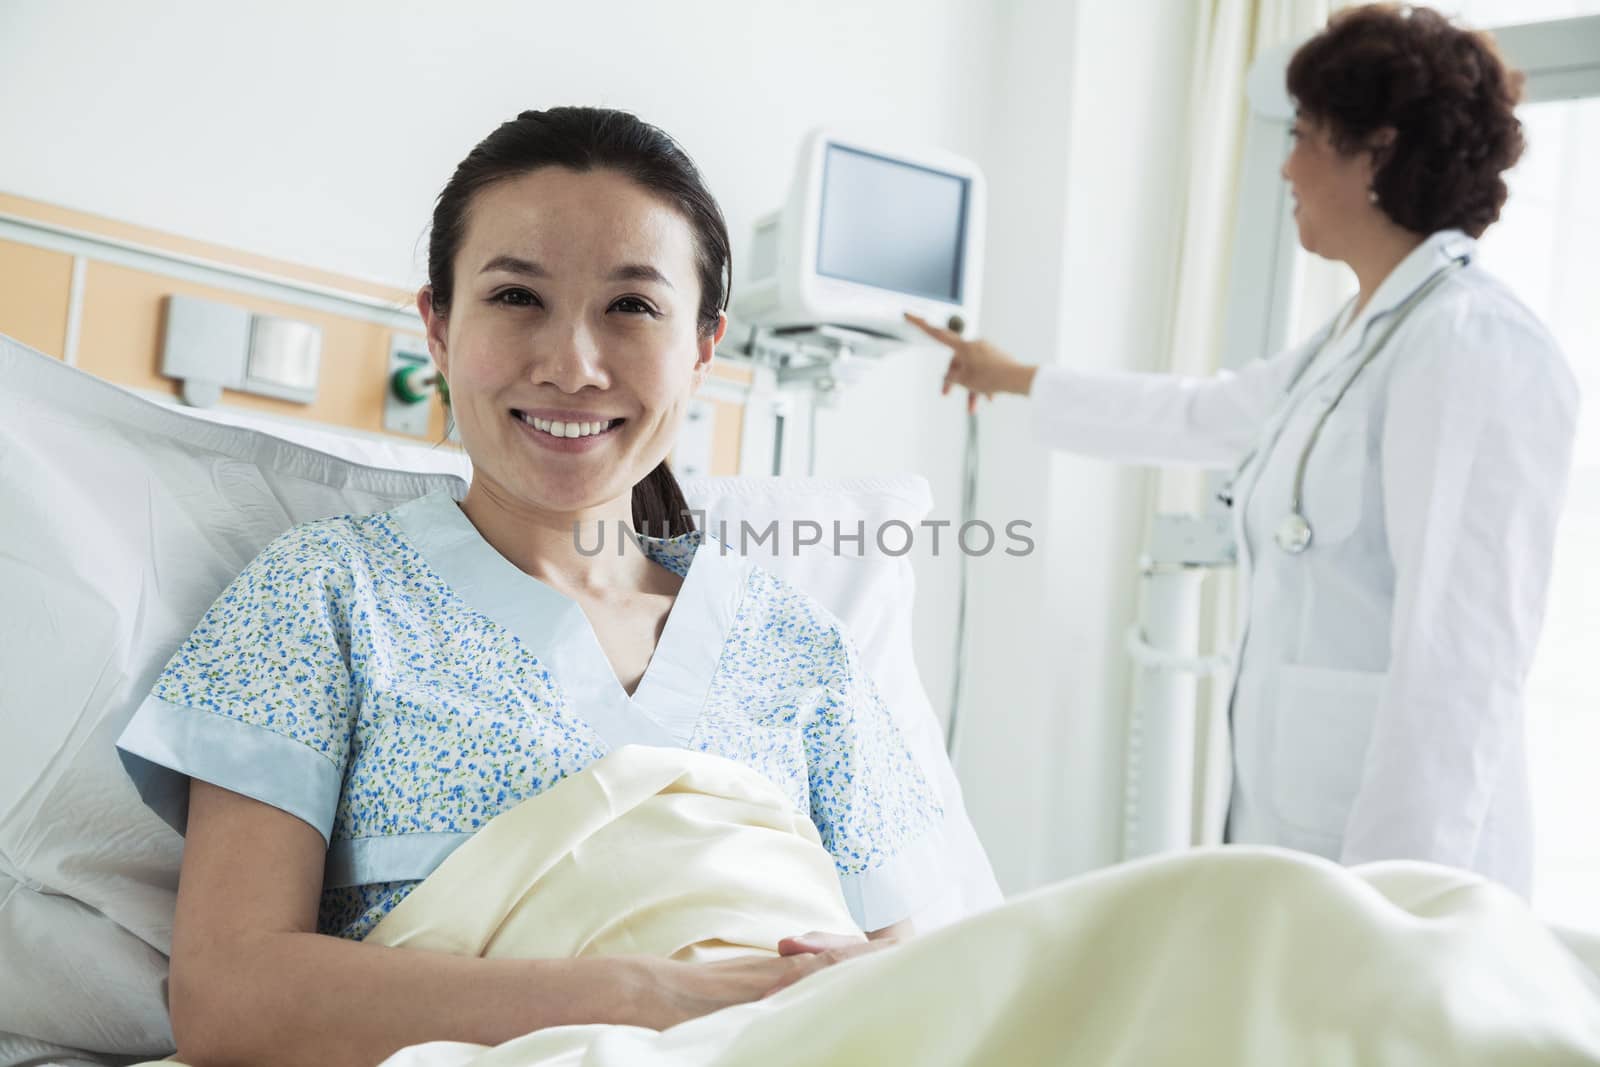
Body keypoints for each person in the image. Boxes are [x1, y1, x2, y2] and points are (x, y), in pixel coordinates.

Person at [116, 106, 949, 1066]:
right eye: (518, 297)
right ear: (436, 324)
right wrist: (650, 995)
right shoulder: (328, 598)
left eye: (632, 307)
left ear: (704, 349)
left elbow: (908, 978)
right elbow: (228, 997)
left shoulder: (797, 642)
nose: (572, 365)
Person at [908, 5, 1578, 895]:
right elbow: (1202, 415)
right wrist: (1016, 376)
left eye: (1304, 135)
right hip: (1304, 838)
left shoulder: (1472, 346)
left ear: (1376, 151)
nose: (1286, 164)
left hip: (1409, 874)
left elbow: (1457, 666)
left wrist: (1398, 912)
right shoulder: (1359, 337)